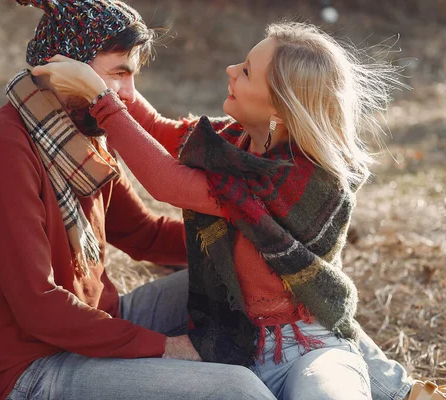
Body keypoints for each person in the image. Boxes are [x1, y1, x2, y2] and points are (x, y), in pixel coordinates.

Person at [33, 19, 445, 400]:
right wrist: (122, 86)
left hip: (306, 347)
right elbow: (165, 131)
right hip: (238, 341)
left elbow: (167, 182)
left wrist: (104, 101)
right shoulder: (236, 142)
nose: (231, 69)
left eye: (246, 71)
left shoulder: (293, 179)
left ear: (280, 110)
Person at [0, 0, 279, 399]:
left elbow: (143, 233)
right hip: (30, 367)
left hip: (102, 322)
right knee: (238, 390)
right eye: (118, 73)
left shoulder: (84, 134)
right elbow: (39, 307)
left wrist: (255, 244)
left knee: (260, 287)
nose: (127, 93)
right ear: (68, 67)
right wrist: (167, 349)